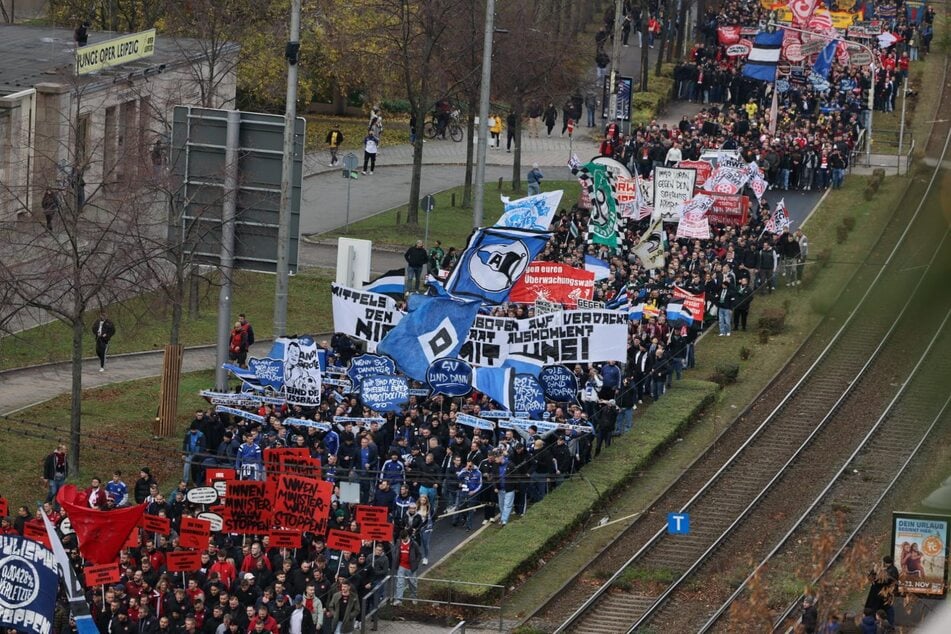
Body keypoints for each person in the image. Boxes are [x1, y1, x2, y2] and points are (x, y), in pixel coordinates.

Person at [392, 529, 422, 605]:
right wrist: (396, 558)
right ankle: (399, 599)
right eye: (402, 539)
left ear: (408, 536)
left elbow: (419, 555)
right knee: (400, 583)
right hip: (401, 566)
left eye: (405, 539)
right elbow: (395, 551)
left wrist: (416, 564)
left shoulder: (414, 544)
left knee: (412, 583)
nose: (404, 540)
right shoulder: (398, 543)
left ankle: (414, 596)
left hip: (411, 568)